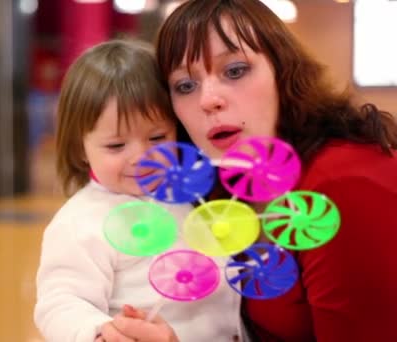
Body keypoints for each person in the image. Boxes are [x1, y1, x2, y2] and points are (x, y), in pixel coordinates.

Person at [102, 1, 397, 341]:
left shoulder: (345, 180)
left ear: (283, 74)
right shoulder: (228, 185)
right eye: (185, 86)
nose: (208, 100)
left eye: (235, 70)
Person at [34, 39, 243, 342]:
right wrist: (96, 332)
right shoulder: (81, 222)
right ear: (81, 148)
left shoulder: (192, 193)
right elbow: (60, 301)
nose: (142, 157)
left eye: (157, 137)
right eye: (116, 145)